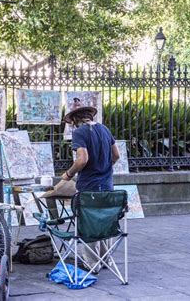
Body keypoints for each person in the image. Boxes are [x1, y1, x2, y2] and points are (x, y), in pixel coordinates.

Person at [61, 97, 120, 274]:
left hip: (89, 186)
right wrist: (104, 168)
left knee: (88, 223)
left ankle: (92, 263)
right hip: (107, 185)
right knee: (104, 221)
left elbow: (82, 159)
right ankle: (106, 258)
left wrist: (69, 174)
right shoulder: (104, 129)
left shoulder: (80, 133)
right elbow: (116, 155)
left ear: (76, 120)